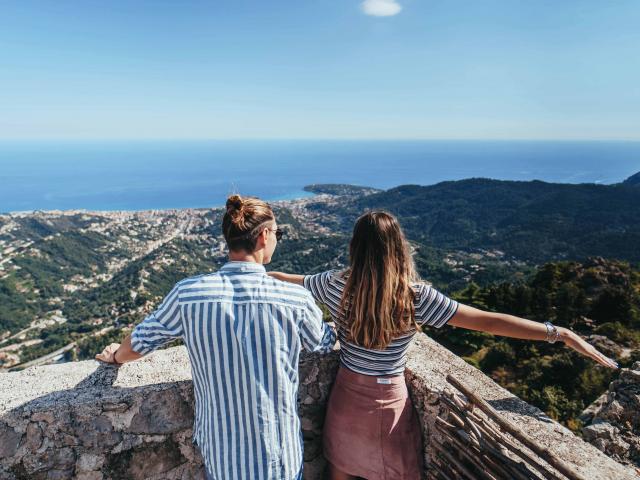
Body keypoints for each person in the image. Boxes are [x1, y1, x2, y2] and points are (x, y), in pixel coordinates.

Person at [269, 210, 618, 480]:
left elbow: (291, 280)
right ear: (397, 248)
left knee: (340, 471)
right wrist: (558, 333)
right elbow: (489, 321)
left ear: (355, 247)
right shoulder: (415, 298)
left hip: (344, 398)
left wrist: (253, 274)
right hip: (388, 404)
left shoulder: (335, 285)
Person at [96, 194, 336, 480]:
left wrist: (115, 357)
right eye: (278, 233)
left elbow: (139, 342)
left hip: (223, 455)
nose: (277, 239)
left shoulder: (189, 294)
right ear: (263, 236)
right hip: (279, 453)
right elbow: (322, 344)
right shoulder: (294, 299)